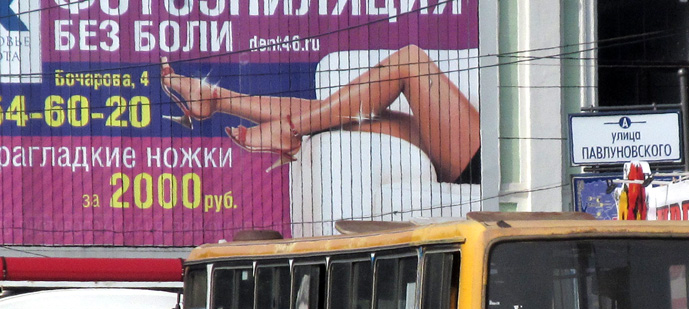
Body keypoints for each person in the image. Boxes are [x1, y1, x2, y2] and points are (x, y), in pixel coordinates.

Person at [160, 45, 481, 181]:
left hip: (495, 163)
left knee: (410, 62)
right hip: (484, 152)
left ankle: (287, 127)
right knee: (342, 117)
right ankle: (218, 100)